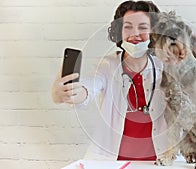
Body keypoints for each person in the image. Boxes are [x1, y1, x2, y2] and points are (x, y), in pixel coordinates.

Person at [51, 0, 168, 161]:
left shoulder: (167, 66)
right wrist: (71, 93)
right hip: (113, 160)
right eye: (128, 27)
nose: (135, 33)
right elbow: (90, 86)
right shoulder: (107, 65)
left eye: (142, 27)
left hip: (159, 159)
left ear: (154, 32)